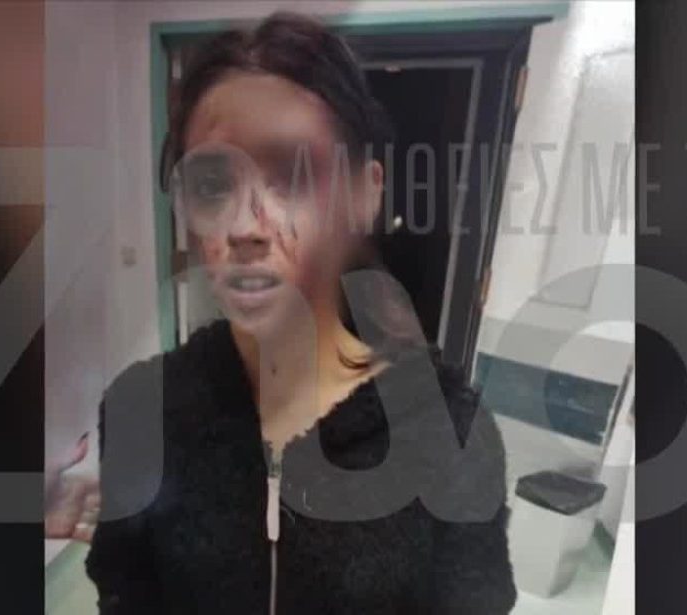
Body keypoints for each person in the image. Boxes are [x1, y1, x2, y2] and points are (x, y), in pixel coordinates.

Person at [81, 12, 517, 614]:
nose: (244, 228)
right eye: (212, 186)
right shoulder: (141, 411)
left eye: (292, 176)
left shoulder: (449, 434)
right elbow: (126, 595)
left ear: (366, 193)